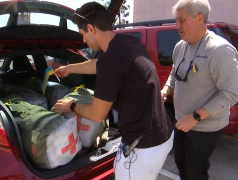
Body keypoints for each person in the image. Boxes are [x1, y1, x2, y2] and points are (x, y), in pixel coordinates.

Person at [51, 2, 174, 179]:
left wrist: (72, 105)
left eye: (83, 34)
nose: (84, 41)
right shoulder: (129, 42)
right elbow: (99, 64)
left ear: (91, 28)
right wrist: (70, 68)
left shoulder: (111, 60)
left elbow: (97, 114)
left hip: (143, 148)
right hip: (163, 134)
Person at [161, 0, 238, 179]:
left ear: (200, 18)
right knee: (181, 166)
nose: (176, 25)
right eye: (176, 20)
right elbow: (174, 72)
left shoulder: (219, 49)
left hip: (205, 126)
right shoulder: (181, 46)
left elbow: (231, 94)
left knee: (195, 172)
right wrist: (166, 89)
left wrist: (195, 117)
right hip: (182, 121)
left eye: (181, 20)